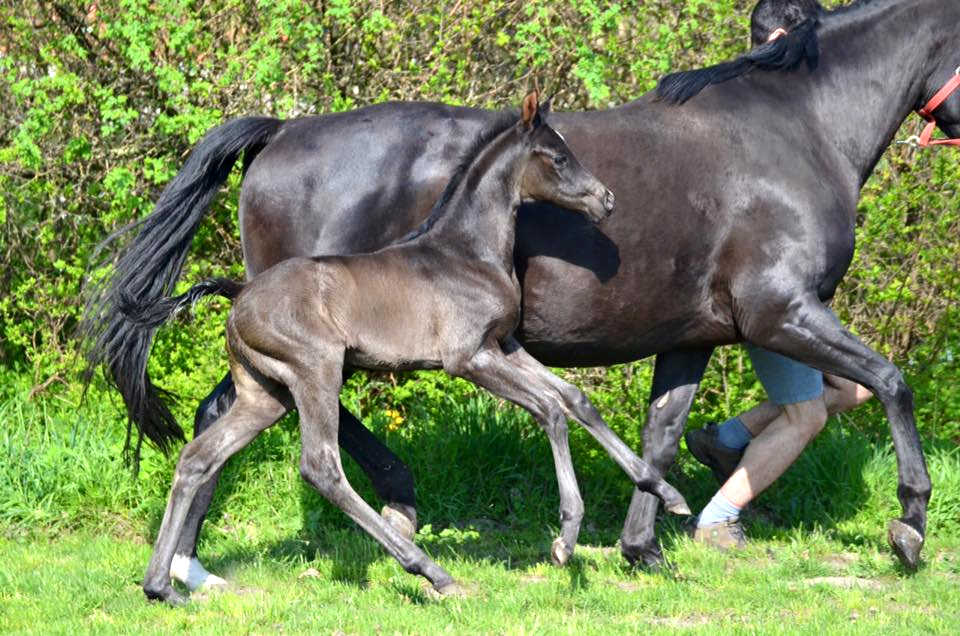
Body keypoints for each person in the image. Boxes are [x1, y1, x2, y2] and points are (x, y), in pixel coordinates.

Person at [684, 0, 873, 549]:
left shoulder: (755, 102)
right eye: (813, 43)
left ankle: (726, 439)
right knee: (806, 415)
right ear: (786, 38)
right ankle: (717, 520)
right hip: (763, 287)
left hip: (776, 281)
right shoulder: (761, 109)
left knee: (855, 386)